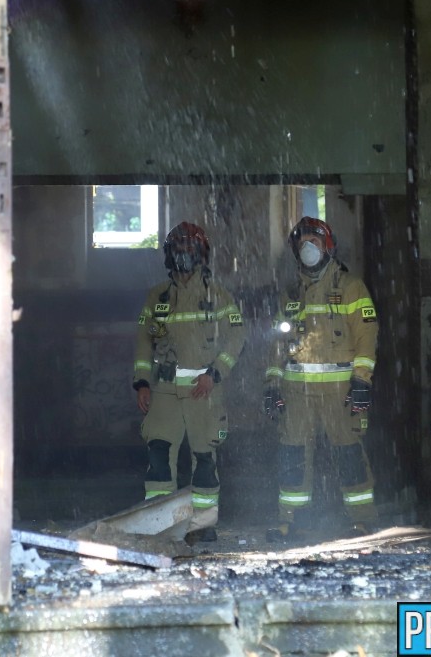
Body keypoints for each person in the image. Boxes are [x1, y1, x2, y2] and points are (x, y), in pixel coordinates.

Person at [262, 216, 379, 542]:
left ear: (327, 246)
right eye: (302, 243)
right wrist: (271, 383)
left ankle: (362, 520)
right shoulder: (291, 293)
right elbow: (277, 342)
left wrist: (362, 380)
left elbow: (366, 335)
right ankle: (291, 520)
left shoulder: (351, 286)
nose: (307, 248)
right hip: (296, 390)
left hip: (340, 390)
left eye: (313, 241)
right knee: (293, 454)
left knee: (349, 453)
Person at [132, 221, 246, 543]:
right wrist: (141, 382)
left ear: (201, 254)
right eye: (178, 249)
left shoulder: (218, 294)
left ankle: (202, 525)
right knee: (158, 457)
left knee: (205, 461)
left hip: (203, 391)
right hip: (163, 391)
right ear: (169, 254)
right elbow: (143, 340)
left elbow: (237, 335)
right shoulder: (157, 296)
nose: (183, 255)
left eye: (189, 249)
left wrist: (215, 373)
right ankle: (160, 525)